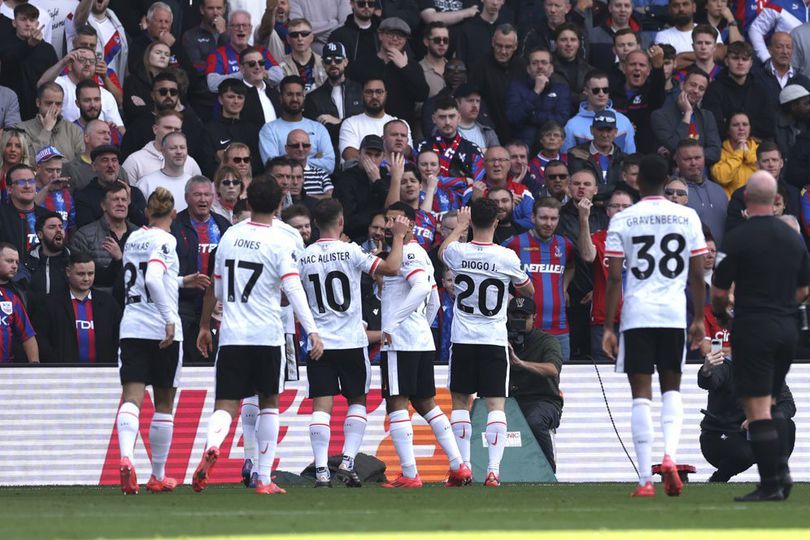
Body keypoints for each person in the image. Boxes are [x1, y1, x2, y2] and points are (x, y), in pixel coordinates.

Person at [191, 177, 323, 495]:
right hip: (267, 335)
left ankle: (213, 445)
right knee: (269, 403)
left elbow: (218, 288)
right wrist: (313, 330)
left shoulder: (230, 236)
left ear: (247, 202)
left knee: (226, 403)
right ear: (279, 205)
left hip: (233, 333)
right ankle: (263, 478)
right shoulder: (281, 241)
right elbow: (292, 288)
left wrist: (205, 324)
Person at [602, 154, 708, 497]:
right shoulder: (687, 215)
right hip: (673, 313)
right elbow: (696, 273)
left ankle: (646, 480)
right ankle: (670, 457)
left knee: (640, 397)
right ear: (667, 180)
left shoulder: (624, 219)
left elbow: (615, 277)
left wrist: (607, 326)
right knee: (672, 390)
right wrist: (697, 318)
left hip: (637, 315)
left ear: (636, 182)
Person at [711, 170, 809, 501]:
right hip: (787, 329)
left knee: (757, 409)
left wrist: (723, 311)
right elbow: (805, 287)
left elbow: (720, 291)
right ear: (775, 200)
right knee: (770, 401)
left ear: (747, 200)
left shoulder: (738, 238)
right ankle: (780, 473)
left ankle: (772, 484)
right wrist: (784, 306)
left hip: (754, 327)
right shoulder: (793, 238)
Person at [299, 199, 406, 487]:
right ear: (341, 222)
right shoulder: (351, 251)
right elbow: (392, 268)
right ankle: (347, 461)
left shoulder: (304, 256)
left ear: (315, 225)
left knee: (321, 405)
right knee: (357, 399)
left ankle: (321, 470)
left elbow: (289, 297)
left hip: (319, 342)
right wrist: (397, 236)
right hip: (350, 341)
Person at [115, 187, 210, 494]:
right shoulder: (166, 239)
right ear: (173, 214)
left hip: (132, 326)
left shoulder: (133, 238)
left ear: (146, 213)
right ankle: (157, 475)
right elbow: (154, 279)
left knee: (131, 397)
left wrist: (182, 281)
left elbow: (146, 279)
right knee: (164, 403)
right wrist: (169, 318)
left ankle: (127, 458)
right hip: (162, 330)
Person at [378, 201, 472, 488]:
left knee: (396, 404)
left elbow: (421, 288)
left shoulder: (406, 253)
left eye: (394, 220)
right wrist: (421, 325)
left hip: (400, 342)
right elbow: (432, 299)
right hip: (419, 339)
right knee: (425, 404)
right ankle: (459, 467)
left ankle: (409, 473)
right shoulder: (419, 252)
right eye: (387, 221)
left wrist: (393, 323)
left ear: (407, 223)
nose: (388, 226)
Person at [439, 200, 533, 486]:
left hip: (463, 339)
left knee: (459, 403)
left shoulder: (458, 251)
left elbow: (443, 251)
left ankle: (464, 467)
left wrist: (459, 228)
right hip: (493, 339)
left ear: (472, 221)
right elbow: (526, 289)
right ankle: (493, 471)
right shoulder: (507, 257)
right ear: (497, 222)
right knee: (495, 405)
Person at [503, 197, 575, 360]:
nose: (548, 223)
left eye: (553, 218)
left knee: (561, 379)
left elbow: (571, 267)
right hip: (524, 329)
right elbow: (494, 269)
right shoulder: (514, 244)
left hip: (559, 327)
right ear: (533, 218)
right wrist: (507, 296)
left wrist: (564, 286)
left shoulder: (565, 245)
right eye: (543, 218)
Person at [171, 176, 231, 365]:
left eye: (207, 195)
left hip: (216, 304)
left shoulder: (224, 226)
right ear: (187, 197)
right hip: (184, 304)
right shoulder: (175, 225)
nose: (203, 200)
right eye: (197, 195)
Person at [506, 296, 564, 473]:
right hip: (507, 401)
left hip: (544, 400)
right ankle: (488, 472)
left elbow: (553, 369)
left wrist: (520, 363)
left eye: (524, 317)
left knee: (534, 420)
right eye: (515, 316)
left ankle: (546, 472)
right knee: (484, 420)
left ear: (534, 318)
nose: (519, 321)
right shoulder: (499, 338)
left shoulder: (546, 341)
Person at [31, 251, 121, 364]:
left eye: (91, 273)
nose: (86, 279)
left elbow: (118, 337)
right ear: (68, 272)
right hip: (62, 374)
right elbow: (41, 338)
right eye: (81, 274)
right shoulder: (49, 304)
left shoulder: (109, 303)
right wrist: (56, 364)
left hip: (102, 374)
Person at [577, 189, 635, 363]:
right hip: (603, 320)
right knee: (604, 374)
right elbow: (587, 255)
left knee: (635, 374)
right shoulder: (599, 238)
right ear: (607, 211)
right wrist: (583, 220)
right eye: (615, 206)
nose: (620, 210)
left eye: (626, 206)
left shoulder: (645, 240)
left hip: (636, 319)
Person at [70, 182, 137, 295]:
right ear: (103, 205)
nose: (121, 204)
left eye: (124, 200)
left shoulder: (140, 235)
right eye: (115, 199)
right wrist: (118, 261)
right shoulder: (84, 236)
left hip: (134, 305)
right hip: (102, 305)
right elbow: (82, 278)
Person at [258, 75, 335, 173]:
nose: (294, 99)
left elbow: (329, 165)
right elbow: (273, 167)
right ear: (281, 98)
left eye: (298, 94)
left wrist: (288, 159)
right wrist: (313, 159)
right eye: (289, 94)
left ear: (304, 97)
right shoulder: (269, 130)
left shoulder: (318, 128)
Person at [302, 41, 364, 158]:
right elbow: (315, 133)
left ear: (345, 62)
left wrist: (339, 121)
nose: (333, 64)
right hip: (329, 156)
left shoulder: (360, 91)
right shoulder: (313, 98)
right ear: (323, 64)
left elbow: (365, 123)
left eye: (338, 59)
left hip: (359, 153)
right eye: (328, 60)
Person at [651, 67, 722, 163]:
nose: (696, 91)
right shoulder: (660, 115)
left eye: (701, 89)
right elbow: (673, 145)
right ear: (682, 85)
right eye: (693, 85)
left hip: (701, 174)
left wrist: (688, 156)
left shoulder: (707, 116)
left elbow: (715, 152)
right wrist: (687, 114)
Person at [0, 3, 57, 121]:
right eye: (23, 19)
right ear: (14, 23)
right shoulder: (5, 45)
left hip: (36, 112)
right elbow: (8, 62)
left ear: (37, 24)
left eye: (32, 20)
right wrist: (29, 45)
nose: (28, 24)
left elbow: (52, 81)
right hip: (7, 111)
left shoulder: (47, 49)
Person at [467, 23, 523, 140]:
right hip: (489, 130)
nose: (503, 51)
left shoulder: (523, 67)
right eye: (499, 46)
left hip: (518, 131)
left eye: (508, 47)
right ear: (492, 42)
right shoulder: (479, 67)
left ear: (516, 46)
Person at [505, 48, 571, 147]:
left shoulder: (561, 89)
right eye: (535, 63)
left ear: (551, 68)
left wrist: (532, 115)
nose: (539, 66)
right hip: (524, 147)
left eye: (544, 63)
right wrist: (536, 91)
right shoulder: (516, 87)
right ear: (528, 68)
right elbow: (514, 117)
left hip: (551, 146)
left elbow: (561, 119)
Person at [563, 71, 636, 154]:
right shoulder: (572, 125)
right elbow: (566, 159)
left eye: (605, 90)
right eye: (596, 90)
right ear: (585, 91)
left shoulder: (624, 121)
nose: (601, 94)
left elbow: (631, 157)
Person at [75, 144, 147, 230]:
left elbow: (145, 225)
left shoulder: (134, 192)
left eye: (114, 160)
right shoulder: (84, 196)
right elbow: (86, 230)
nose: (110, 165)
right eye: (105, 160)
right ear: (94, 166)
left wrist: (130, 205)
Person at [675, 139, 728, 245]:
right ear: (677, 162)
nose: (693, 163)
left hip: (720, 258)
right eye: (687, 159)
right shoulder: (672, 194)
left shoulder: (719, 191)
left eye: (697, 158)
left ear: (704, 158)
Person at [17, 83, 84, 162]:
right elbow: (28, 161)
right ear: (38, 102)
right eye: (49, 103)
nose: (54, 108)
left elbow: (81, 163)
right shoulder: (22, 129)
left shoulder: (74, 130)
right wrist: (46, 131)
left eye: (58, 104)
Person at [0, 164, 49, 264]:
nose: (27, 186)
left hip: (44, 274)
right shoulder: (2, 215)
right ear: (9, 189)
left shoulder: (47, 216)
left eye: (31, 181)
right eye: (21, 182)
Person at [137, 131, 194, 212]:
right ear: (163, 151)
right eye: (173, 148)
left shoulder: (194, 184)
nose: (179, 152)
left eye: (182, 147)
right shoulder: (145, 183)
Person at [0, 242, 38, 363]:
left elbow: (28, 336)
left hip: (5, 372)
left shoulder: (13, 297)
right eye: (9, 261)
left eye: (17, 262)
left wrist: (35, 366)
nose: (15, 266)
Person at [710, 112, 759, 197]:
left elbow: (767, 173)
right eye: (736, 125)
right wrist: (739, 153)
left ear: (750, 128)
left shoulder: (759, 150)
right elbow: (722, 177)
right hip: (731, 206)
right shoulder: (719, 152)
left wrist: (747, 154)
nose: (741, 128)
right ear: (728, 130)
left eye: (745, 124)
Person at [330, 0, 381, 77]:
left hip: (380, 84)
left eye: (370, 4)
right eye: (361, 3)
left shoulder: (383, 32)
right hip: (351, 85)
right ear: (352, 4)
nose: (366, 7)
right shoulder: (338, 36)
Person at [32, 146, 74, 233]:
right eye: (50, 170)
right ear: (37, 168)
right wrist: (48, 189)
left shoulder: (66, 195)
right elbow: (26, 212)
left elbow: (71, 227)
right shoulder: (27, 190)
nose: (55, 176)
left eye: (58, 170)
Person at [27, 211, 69, 297]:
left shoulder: (74, 261)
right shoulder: (27, 262)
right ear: (40, 235)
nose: (58, 230)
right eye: (52, 227)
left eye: (61, 227)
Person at [279, 18, 327, 93]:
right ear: (288, 39)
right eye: (294, 35)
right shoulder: (281, 67)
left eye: (304, 34)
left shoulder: (324, 64)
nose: (300, 38)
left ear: (312, 37)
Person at [419, 21, 450, 99]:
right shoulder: (418, 70)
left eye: (445, 40)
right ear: (426, 42)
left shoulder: (456, 68)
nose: (442, 43)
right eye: (437, 40)